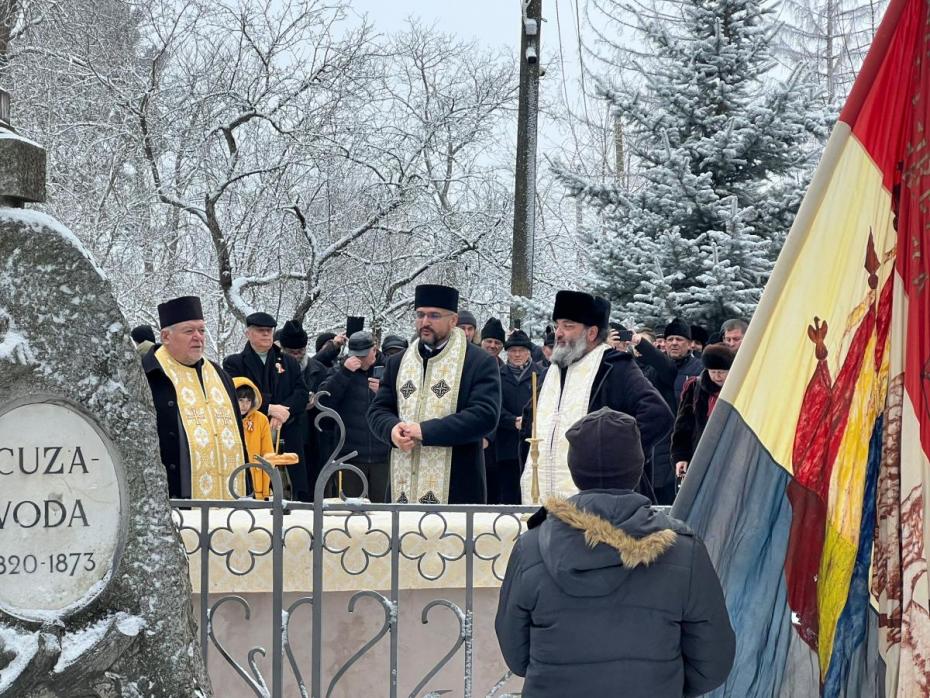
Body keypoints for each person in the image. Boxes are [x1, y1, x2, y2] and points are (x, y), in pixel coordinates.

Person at [496, 408, 735, 698]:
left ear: (574, 470)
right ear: (638, 465)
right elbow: (713, 659)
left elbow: (516, 653)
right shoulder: (684, 551)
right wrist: (666, 684)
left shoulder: (531, 547)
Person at [519, 291, 673, 504]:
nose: (558, 333)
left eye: (568, 326)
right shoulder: (551, 372)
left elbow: (658, 414)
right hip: (542, 493)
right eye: (557, 326)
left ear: (591, 332)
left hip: (604, 501)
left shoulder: (614, 366)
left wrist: (616, 458)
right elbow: (530, 423)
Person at [367, 284, 501, 504]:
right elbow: (378, 410)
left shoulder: (478, 361)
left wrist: (426, 431)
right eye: (420, 315)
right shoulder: (398, 362)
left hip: (457, 489)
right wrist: (392, 430)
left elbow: (484, 415)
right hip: (403, 487)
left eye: (434, 315)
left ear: (453, 320)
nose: (425, 322)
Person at [143, 296, 246, 499]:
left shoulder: (220, 376)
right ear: (166, 336)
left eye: (201, 330)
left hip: (229, 500)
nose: (198, 337)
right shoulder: (148, 376)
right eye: (189, 331)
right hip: (175, 498)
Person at [223, 312, 311, 500]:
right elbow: (237, 392)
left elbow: (302, 393)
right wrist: (269, 407)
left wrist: (283, 411)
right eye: (260, 330)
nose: (266, 334)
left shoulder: (288, 361)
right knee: (257, 483)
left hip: (288, 430)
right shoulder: (234, 363)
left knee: (293, 490)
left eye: (269, 331)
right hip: (252, 432)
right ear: (248, 333)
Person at [629, 318, 702, 504]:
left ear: (690, 344)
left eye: (679, 339)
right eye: (670, 339)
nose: (674, 343)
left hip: (688, 443)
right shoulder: (655, 369)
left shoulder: (699, 370)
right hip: (659, 445)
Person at [318, 331, 390, 501]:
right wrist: (344, 373)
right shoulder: (340, 370)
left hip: (384, 454)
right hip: (350, 455)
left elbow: (405, 403)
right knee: (351, 508)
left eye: (364, 355)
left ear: (374, 350)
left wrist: (383, 392)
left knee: (383, 509)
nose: (360, 360)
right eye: (356, 356)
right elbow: (324, 402)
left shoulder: (390, 369)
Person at [495, 329, 544, 504]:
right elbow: (494, 406)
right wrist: (512, 421)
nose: (517, 355)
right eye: (513, 351)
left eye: (521, 350)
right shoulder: (498, 375)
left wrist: (529, 421)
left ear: (529, 352)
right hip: (506, 444)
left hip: (533, 443)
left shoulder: (541, 374)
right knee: (508, 493)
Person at [672, 343, 735, 478]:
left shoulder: (741, 390)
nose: (717, 376)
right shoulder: (695, 388)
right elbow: (683, 426)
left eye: (722, 372)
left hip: (732, 456)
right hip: (701, 453)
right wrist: (681, 456)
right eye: (713, 372)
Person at [235, 377, 274, 500]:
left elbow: (267, 454)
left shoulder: (261, 419)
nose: (244, 405)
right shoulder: (224, 418)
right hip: (233, 476)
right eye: (240, 400)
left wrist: (265, 491)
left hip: (254, 479)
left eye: (248, 400)